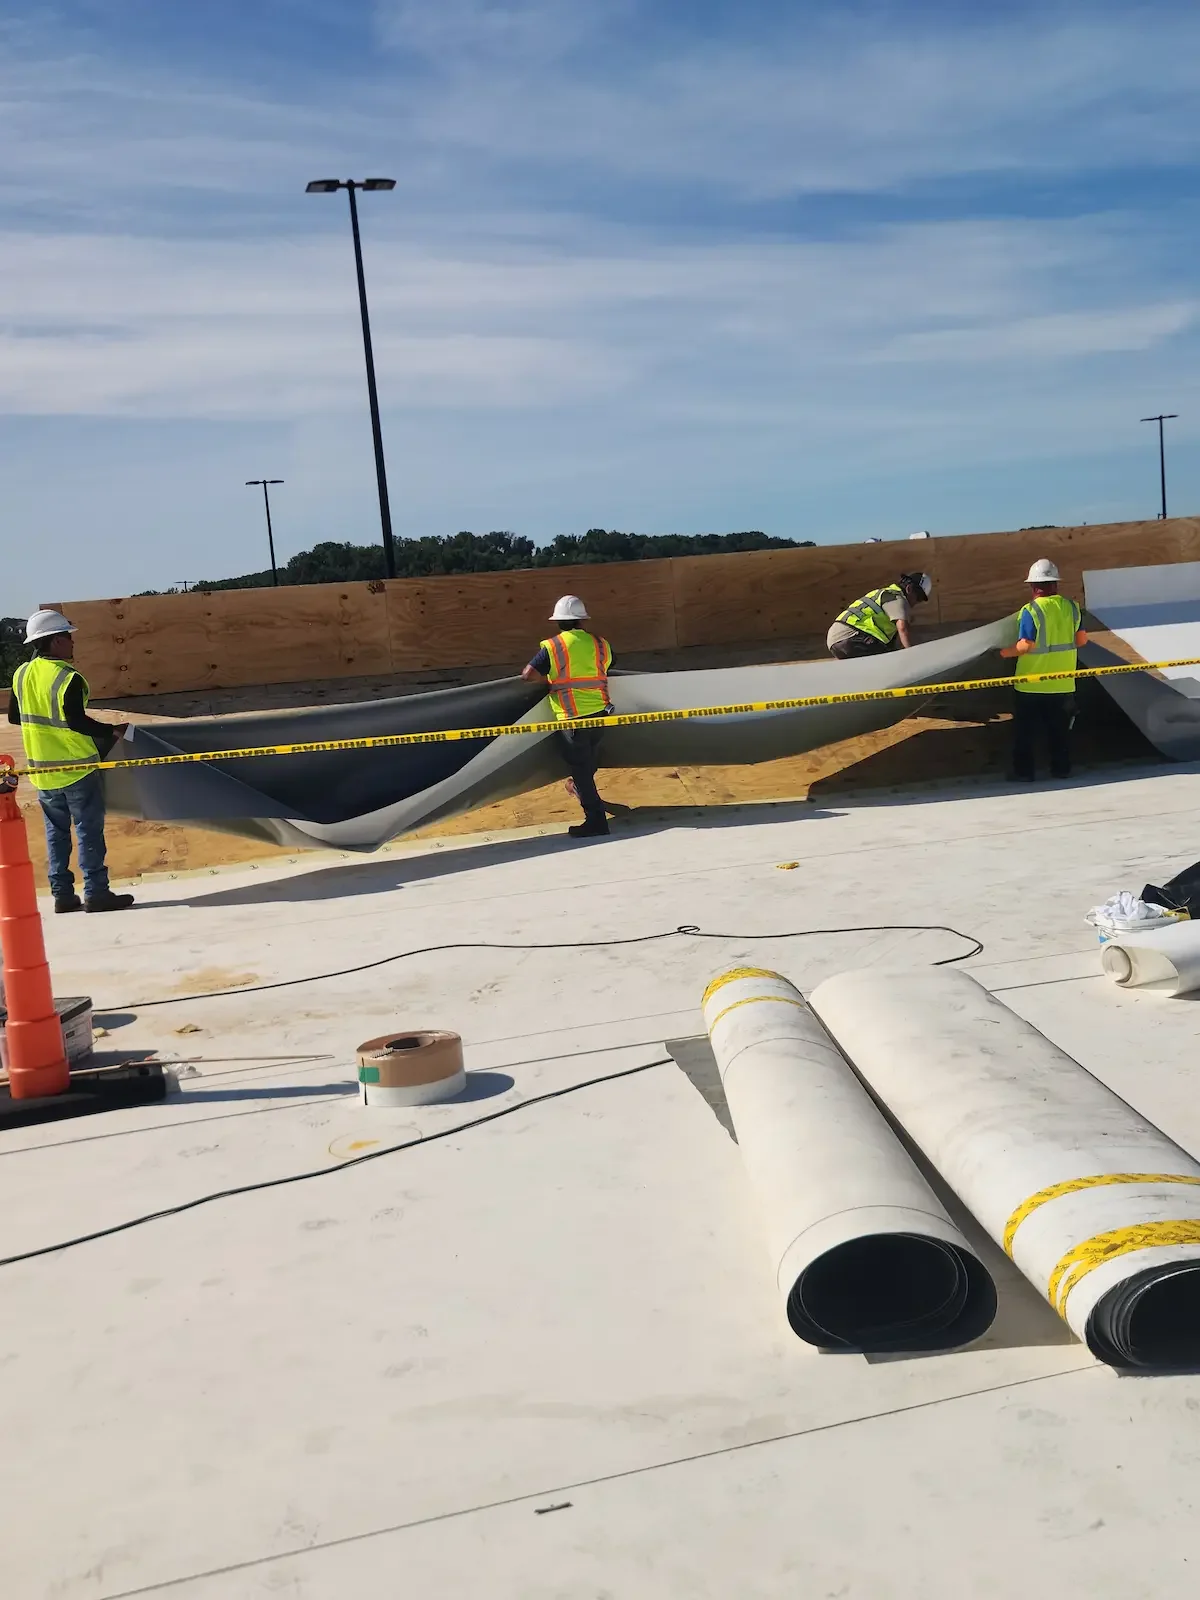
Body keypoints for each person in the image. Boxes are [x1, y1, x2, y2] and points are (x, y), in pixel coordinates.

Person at [7, 609, 135, 913]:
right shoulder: (68, 678)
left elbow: (14, 716)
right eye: (68, 637)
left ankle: (62, 896)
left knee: (56, 833)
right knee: (88, 830)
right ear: (54, 643)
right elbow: (76, 722)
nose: (72, 643)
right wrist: (113, 732)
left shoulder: (22, 674)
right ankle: (96, 893)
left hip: (43, 773)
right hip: (77, 768)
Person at [522, 595, 613, 839]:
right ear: (582, 620)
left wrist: (551, 679)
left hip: (573, 717)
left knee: (581, 770)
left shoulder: (553, 647)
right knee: (586, 766)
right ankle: (581, 793)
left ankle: (596, 821)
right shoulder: (600, 643)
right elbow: (605, 668)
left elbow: (528, 674)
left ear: (558, 622)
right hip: (600, 713)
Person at [999, 559, 1088, 782]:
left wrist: (1002, 653)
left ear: (1033, 586)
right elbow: (1082, 640)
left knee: (1025, 733)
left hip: (1030, 685)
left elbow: (1025, 645)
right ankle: (1061, 770)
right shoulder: (1072, 608)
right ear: (1055, 584)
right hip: (1063, 682)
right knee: (1059, 732)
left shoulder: (1032, 610)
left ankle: (1024, 773)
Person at [827, 573, 932, 658]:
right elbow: (903, 629)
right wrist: (914, 656)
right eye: (918, 598)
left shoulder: (884, 594)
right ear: (909, 589)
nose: (916, 603)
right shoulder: (896, 598)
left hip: (837, 639)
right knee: (891, 660)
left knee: (890, 653)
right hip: (851, 636)